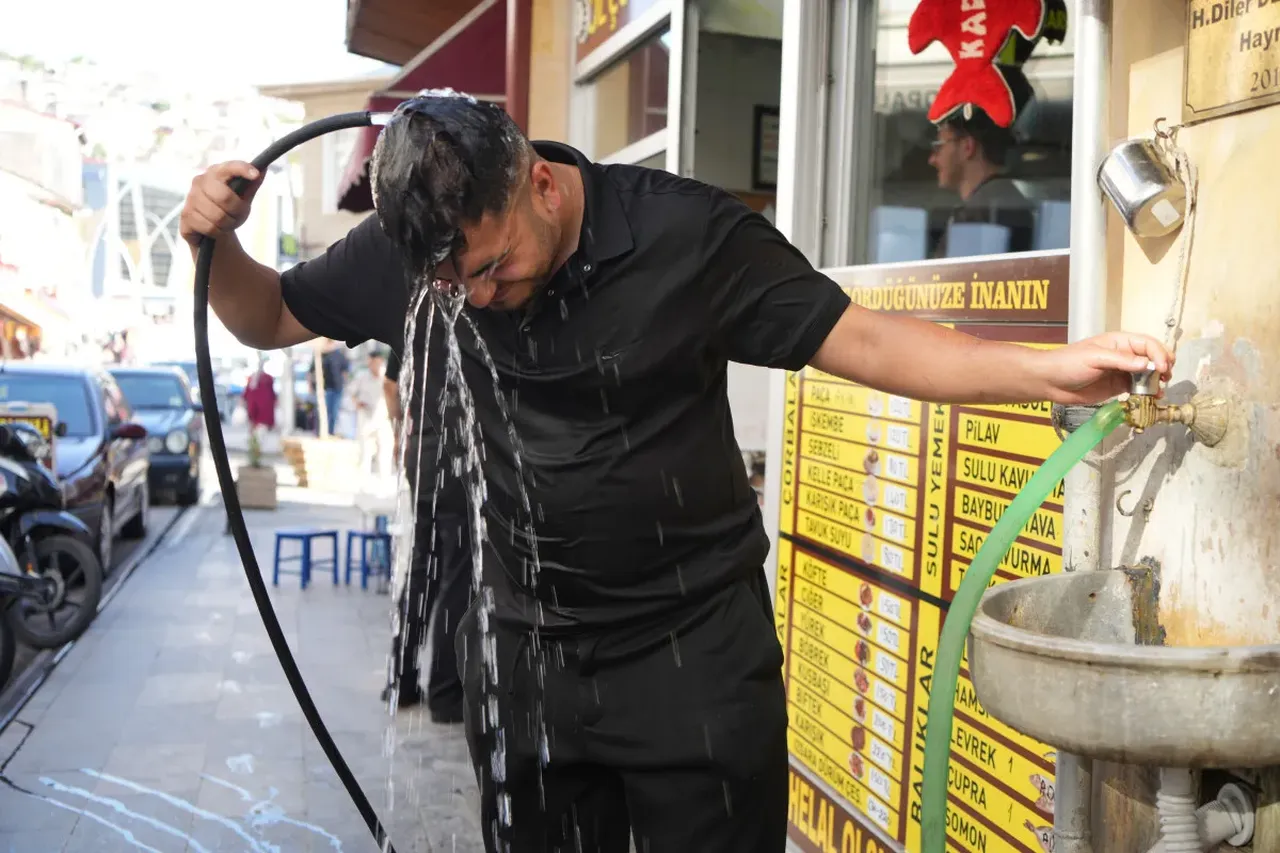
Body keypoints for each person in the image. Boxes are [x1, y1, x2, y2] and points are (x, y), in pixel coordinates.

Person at [179, 93, 1172, 853]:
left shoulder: (683, 236)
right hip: (520, 654)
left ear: (537, 179)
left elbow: (861, 339)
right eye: (453, 284)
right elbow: (267, 315)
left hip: (689, 650)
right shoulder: (420, 252)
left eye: (493, 267)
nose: (476, 298)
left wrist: (1046, 365)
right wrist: (212, 243)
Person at [379, 347, 471, 722]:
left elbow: (389, 386)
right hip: (457, 457)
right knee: (458, 578)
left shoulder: (414, 315)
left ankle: (401, 681)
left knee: (422, 569)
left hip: (421, 456)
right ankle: (446, 696)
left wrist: (401, 432)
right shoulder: (472, 310)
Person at [927, 109, 1035, 258]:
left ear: (967, 147)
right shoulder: (1001, 200)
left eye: (939, 147)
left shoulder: (983, 211)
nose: (932, 159)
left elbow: (953, 278)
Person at [350, 348, 395, 483]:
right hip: (366, 417)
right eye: (371, 363)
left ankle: (384, 480)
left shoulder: (387, 376)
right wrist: (357, 403)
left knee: (385, 451)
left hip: (383, 418)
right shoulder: (362, 376)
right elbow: (351, 393)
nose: (374, 365)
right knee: (365, 451)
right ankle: (364, 481)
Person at [320, 341, 347, 435]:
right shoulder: (323, 356)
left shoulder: (340, 356)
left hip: (337, 388)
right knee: (328, 411)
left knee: (334, 411)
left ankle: (331, 431)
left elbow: (345, 372)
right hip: (327, 388)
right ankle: (328, 431)